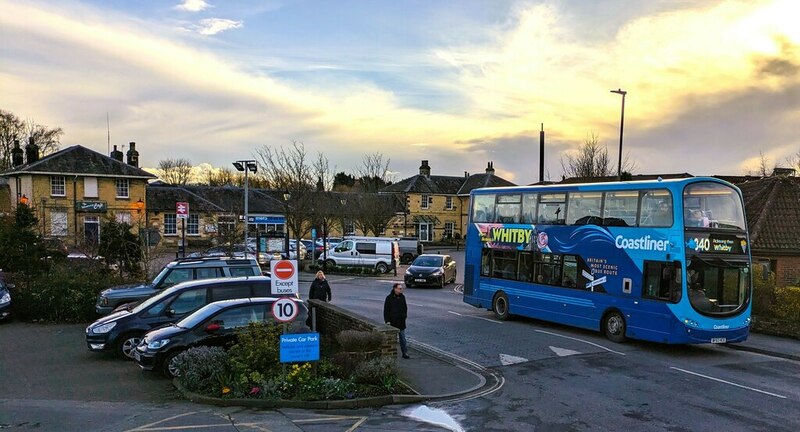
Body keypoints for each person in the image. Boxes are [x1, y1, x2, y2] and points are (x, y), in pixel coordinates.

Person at [383, 283, 409, 359]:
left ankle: (405, 353)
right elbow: (386, 310)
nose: (401, 290)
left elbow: (405, 308)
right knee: (392, 339)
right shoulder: (389, 298)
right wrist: (387, 321)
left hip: (401, 322)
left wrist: (404, 316)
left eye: (401, 288)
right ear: (395, 289)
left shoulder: (402, 297)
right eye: (400, 288)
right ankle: (392, 354)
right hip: (392, 322)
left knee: (403, 339)